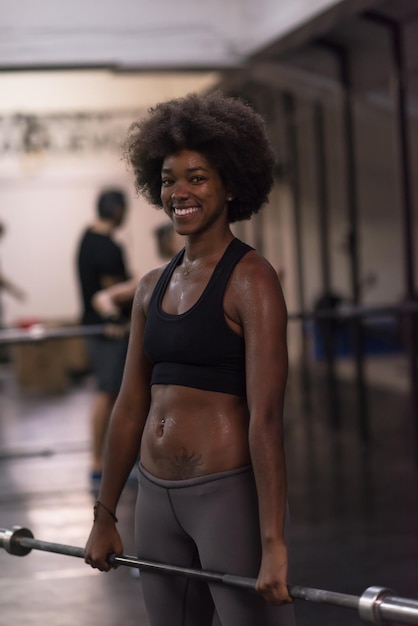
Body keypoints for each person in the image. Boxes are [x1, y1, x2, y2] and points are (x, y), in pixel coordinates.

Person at [85, 92, 295, 626]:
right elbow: (130, 406)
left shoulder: (251, 281)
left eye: (197, 178)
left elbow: (266, 419)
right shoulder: (151, 287)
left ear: (230, 185)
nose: (179, 192)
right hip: (155, 501)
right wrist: (105, 515)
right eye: (167, 179)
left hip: (223, 496)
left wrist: (273, 544)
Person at [76, 189, 133, 484]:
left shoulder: (85, 239)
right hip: (108, 331)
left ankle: (108, 460)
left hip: (93, 326)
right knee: (108, 393)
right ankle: (100, 462)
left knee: (110, 393)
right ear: (117, 211)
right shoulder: (108, 247)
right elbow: (112, 293)